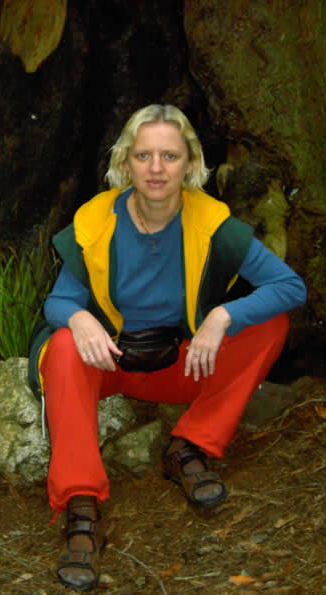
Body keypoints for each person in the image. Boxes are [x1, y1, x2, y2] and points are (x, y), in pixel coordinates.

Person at [28, 104, 306, 591]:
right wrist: (78, 318)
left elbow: (290, 287)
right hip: (108, 363)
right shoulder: (97, 220)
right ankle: (82, 508)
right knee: (67, 343)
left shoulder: (213, 223)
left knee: (269, 324)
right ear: (125, 162)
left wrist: (223, 316)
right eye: (144, 156)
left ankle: (188, 446)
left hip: (182, 363)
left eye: (170, 156)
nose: (156, 169)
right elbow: (58, 301)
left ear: (190, 164)